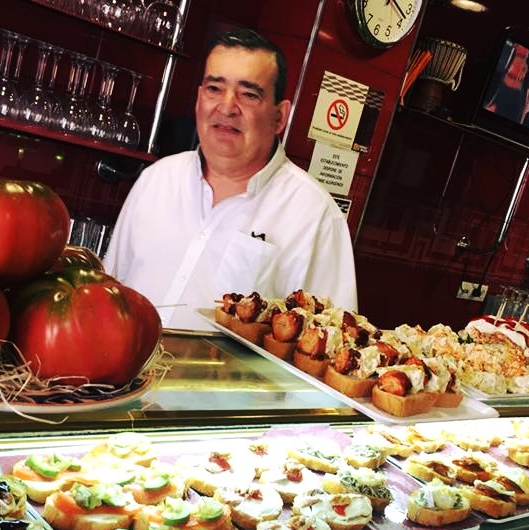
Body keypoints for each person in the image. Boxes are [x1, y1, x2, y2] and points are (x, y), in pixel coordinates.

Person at [104, 28, 357, 330]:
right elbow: (108, 292)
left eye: (249, 94)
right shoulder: (156, 180)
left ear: (279, 117)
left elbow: (329, 344)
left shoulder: (315, 215)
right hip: (124, 376)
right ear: (199, 99)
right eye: (214, 88)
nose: (226, 107)